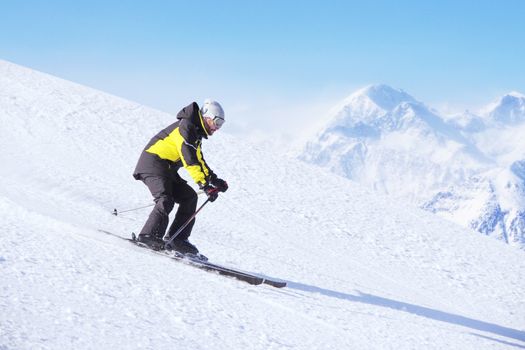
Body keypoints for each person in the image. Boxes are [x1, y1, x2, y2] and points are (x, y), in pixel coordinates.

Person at [132, 99, 228, 254]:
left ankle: (178, 239)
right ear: (207, 117)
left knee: (189, 197)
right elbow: (189, 160)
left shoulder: (194, 132)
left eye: (221, 124)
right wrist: (204, 185)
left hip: (166, 168)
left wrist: (214, 180)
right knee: (165, 199)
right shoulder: (186, 128)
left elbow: (199, 159)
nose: (217, 128)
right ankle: (148, 236)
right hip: (152, 163)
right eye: (217, 122)